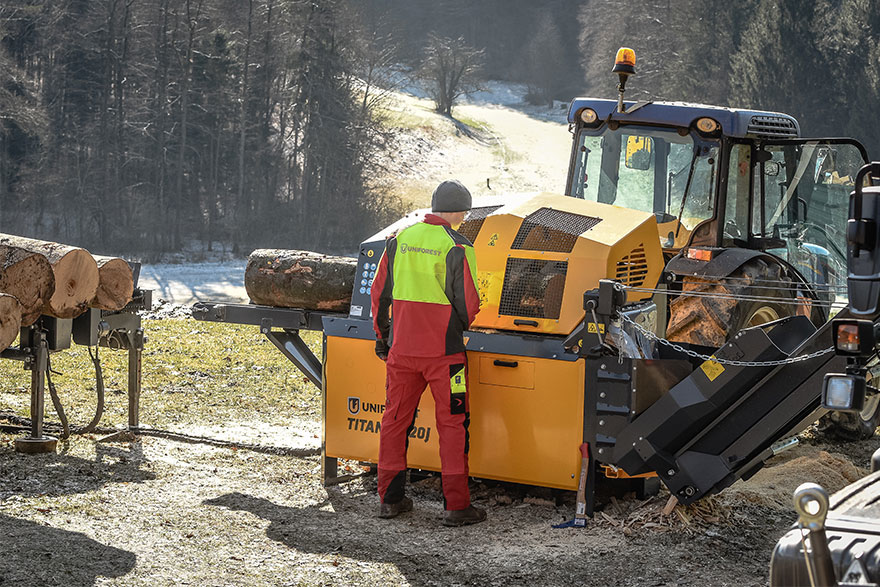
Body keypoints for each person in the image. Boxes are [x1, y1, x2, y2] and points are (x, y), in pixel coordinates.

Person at [370, 179, 485, 527]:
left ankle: (389, 500)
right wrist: (456, 326)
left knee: (394, 420)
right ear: (460, 212)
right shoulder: (458, 246)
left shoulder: (398, 241)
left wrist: (383, 337)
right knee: (452, 424)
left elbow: (378, 297)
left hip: (402, 352)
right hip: (445, 355)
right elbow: (469, 303)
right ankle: (456, 507)